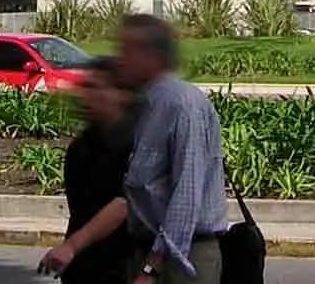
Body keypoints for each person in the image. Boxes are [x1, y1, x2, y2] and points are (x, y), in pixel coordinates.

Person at [118, 15, 227, 284]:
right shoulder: (146, 102)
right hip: (148, 250)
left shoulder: (181, 105)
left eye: (127, 50)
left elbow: (186, 196)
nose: (120, 58)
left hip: (181, 259)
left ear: (153, 55)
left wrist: (151, 269)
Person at [41, 59, 135, 283]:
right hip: (82, 266)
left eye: (96, 88)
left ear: (121, 95)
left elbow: (125, 203)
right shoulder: (80, 148)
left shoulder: (136, 144)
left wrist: (72, 246)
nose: (85, 95)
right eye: (85, 87)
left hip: (122, 265)